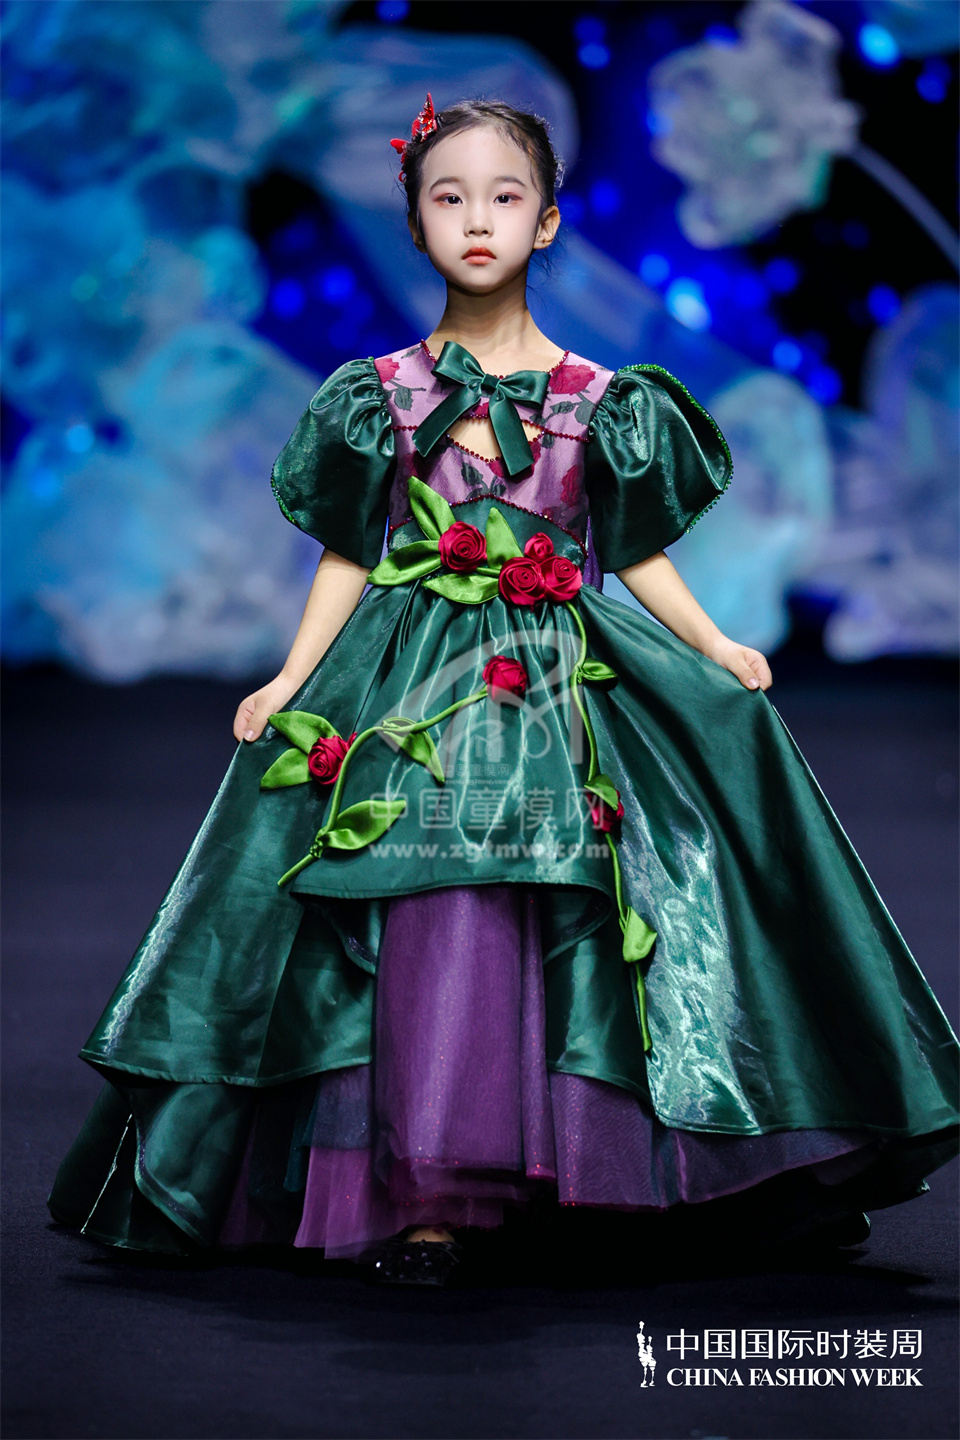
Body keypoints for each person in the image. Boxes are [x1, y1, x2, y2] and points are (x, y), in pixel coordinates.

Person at [49, 97, 959, 1288]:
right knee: (430, 894)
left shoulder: (601, 398)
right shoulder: (379, 395)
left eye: (504, 196)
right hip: (412, 674)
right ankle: (428, 1189)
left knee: (573, 895)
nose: (477, 219)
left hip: (559, 675)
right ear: (417, 223)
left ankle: (596, 1173)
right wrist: (290, 676)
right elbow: (350, 554)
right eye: (449, 197)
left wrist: (712, 642)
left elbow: (632, 550)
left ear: (548, 221)